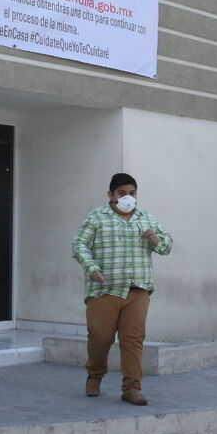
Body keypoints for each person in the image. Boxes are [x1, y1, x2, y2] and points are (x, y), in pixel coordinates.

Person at [72, 173, 173, 406]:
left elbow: (167, 246)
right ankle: (95, 375)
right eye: (122, 193)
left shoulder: (146, 218)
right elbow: (79, 245)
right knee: (100, 337)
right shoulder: (96, 217)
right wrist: (91, 268)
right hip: (104, 289)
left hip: (137, 289)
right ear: (111, 195)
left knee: (133, 339)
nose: (128, 197)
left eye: (132, 193)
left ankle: (132, 388)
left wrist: (156, 239)